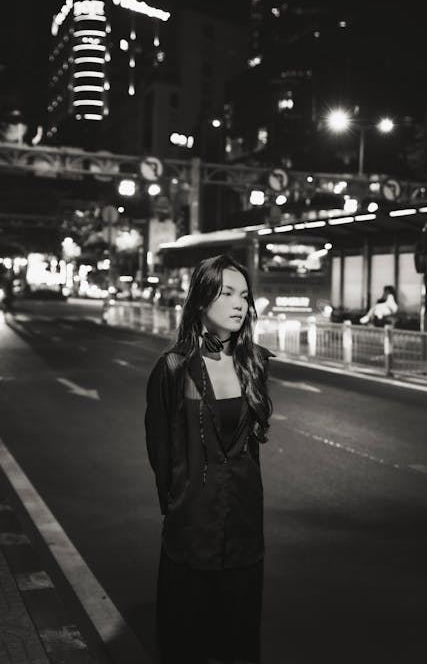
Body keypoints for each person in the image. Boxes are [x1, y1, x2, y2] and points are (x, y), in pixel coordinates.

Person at [145, 253, 275, 664]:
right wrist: (179, 503)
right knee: (186, 643)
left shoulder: (253, 363)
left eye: (244, 294)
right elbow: (160, 452)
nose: (240, 303)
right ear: (202, 300)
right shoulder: (173, 368)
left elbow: (251, 445)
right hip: (190, 529)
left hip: (243, 526)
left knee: (239, 642)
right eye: (228, 293)